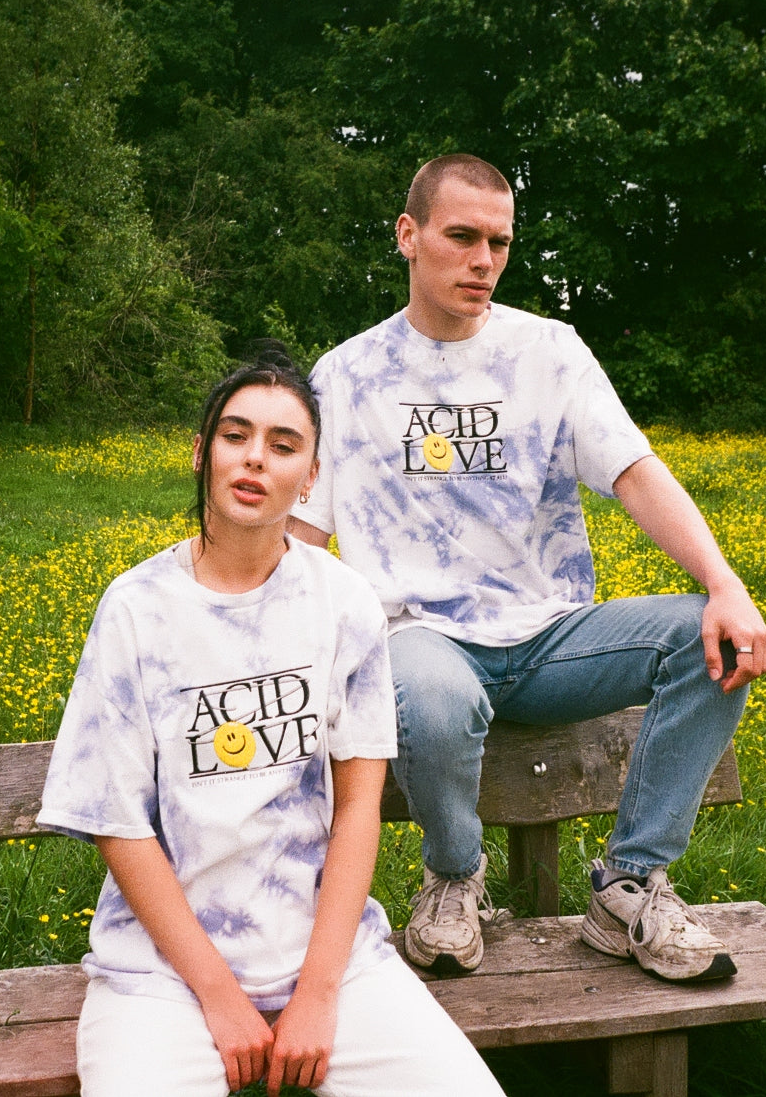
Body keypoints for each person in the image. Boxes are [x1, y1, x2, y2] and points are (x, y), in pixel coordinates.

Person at [289, 154, 766, 984]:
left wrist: (723, 585)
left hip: (552, 637)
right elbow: (302, 534)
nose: (482, 260)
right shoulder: (345, 375)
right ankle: (454, 875)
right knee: (433, 696)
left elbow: (634, 471)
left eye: (500, 242)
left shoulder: (547, 350)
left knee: (714, 641)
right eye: (461, 236)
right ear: (408, 235)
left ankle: (628, 886)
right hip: (422, 639)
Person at [37, 346, 505, 1097]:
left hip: (328, 958)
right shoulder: (136, 607)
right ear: (202, 453)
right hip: (162, 973)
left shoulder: (342, 602)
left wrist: (317, 994)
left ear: (310, 477)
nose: (255, 456)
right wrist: (220, 998)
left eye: (283, 445)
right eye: (236, 435)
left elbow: (357, 807)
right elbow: (118, 824)